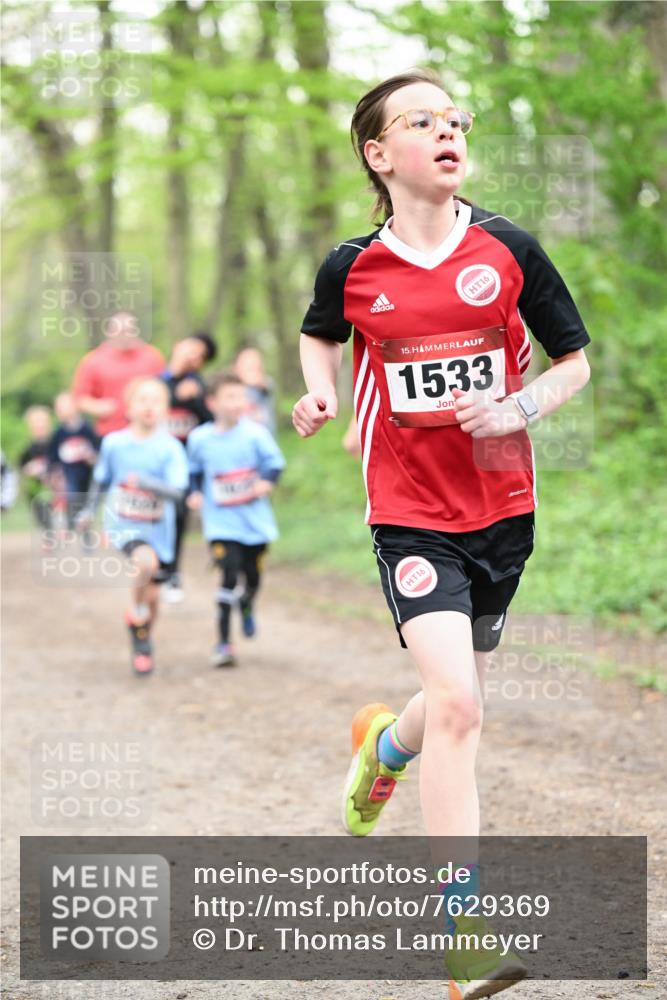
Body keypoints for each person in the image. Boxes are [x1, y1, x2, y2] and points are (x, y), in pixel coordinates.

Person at [292, 69, 591, 999]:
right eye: (421, 122)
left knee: (441, 700)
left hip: (501, 508)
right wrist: (321, 391)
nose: (446, 132)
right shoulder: (352, 265)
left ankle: (384, 746)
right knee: (461, 704)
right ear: (380, 155)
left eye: (455, 120)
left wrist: (517, 408)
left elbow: (573, 362)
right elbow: (320, 333)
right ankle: (463, 932)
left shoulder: (508, 249)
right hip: (408, 510)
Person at [78, 378, 188, 675]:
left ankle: (143, 636)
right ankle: (137, 616)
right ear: (129, 407)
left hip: (158, 528)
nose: (149, 406)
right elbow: (101, 480)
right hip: (123, 523)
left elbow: (179, 491)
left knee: (153, 596)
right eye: (142, 400)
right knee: (145, 563)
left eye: (156, 401)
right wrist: (88, 511)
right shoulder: (114, 443)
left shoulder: (171, 448)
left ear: (166, 409)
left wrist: (149, 484)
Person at [187, 372, 285, 668]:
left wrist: (265, 482)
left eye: (241, 396)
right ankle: (224, 644)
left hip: (254, 522)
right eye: (230, 397)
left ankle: (246, 602)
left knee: (252, 579)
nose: (237, 403)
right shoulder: (199, 438)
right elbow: (193, 471)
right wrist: (193, 493)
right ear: (212, 403)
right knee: (228, 575)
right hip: (220, 523)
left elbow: (274, 464)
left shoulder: (256, 433)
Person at [160, 330, 217, 603]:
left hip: (183, 467)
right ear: (178, 343)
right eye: (192, 348)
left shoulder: (200, 388)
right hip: (154, 465)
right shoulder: (155, 382)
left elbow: (212, 423)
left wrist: (195, 400)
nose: (194, 356)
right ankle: (155, 565)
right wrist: (173, 395)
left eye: (201, 357)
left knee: (178, 517)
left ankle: (172, 572)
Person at [72, 311, 165, 438]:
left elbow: (165, 392)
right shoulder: (93, 360)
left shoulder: (152, 357)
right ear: (110, 332)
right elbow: (80, 399)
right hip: (110, 432)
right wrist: (98, 407)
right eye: (120, 331)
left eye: (129, 330)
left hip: (148, 432)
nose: (125, 335)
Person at [48, 392, 99, 528]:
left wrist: (94, 457)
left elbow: (97, 447)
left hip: (87, 471)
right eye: (59, 408)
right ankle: (72, 520)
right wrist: (53, 471)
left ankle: (84, 522)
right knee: (72, 494)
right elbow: (53, 455)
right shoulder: (59, 433)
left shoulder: (87, 428)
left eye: (65, 406)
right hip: (69, 473)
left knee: (88, 497)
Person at [19, 405, 54, 530]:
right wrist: (29, 470)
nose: (39, 427)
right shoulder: (28, 449)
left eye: (42, 423)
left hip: (54, 489)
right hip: (37, 490)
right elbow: (22, 467)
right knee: (41, 516)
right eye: (35, 424)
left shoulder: (54, 444)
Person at [233, 346, 277, 436]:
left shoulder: (266, 382)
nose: (252, 365)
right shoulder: (231, 386)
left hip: (265, 434)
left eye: (255, 361)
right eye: (247, 361)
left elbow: (261, 383)